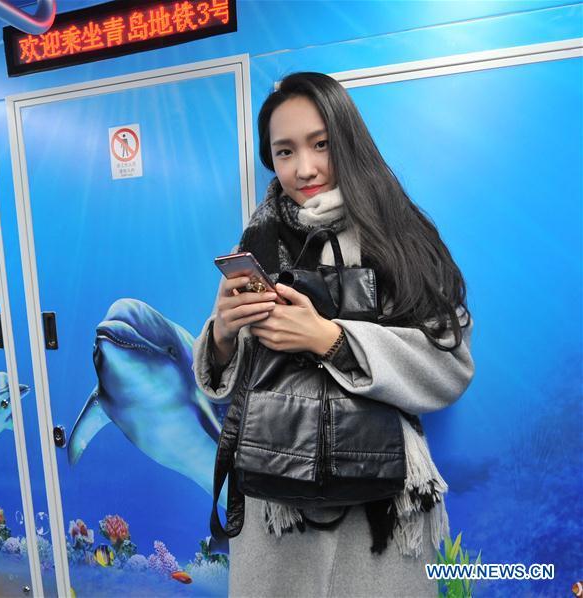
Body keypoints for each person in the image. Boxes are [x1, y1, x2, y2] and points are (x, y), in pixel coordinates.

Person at [192, 72, 475, 597]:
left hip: (378, 518)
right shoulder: (256, 242)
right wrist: (224, 335)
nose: (304, 167)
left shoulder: (400, 238)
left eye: (320, 144)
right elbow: (228, 383)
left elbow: (450, 366)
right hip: (274, 514)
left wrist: (330, 339)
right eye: (284, 152)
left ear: (348, 139)